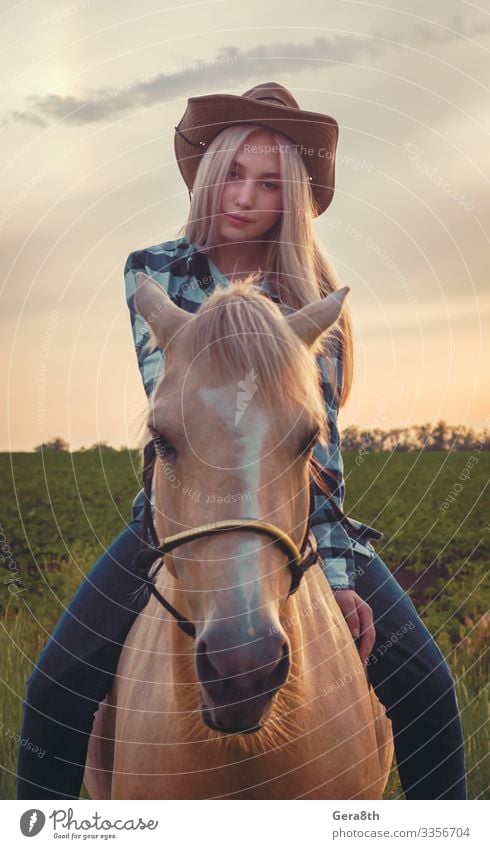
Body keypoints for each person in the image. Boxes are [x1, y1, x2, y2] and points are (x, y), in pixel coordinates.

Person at [16, 82, 466, 800]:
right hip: (184, 504)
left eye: (268, 183)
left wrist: (342, 579)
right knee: (55, 686)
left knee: (429, 690)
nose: (245, 195)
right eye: (232, 172)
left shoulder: (316, 295)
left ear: (291, 198)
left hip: (293, 513)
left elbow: (323, 453)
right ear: (204, 174)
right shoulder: (152, 272)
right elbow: (177, 409)